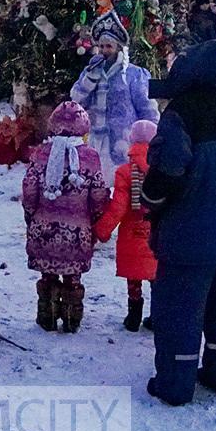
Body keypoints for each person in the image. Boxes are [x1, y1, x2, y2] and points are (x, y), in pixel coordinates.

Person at [139, 39, 216, 407]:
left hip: (188, 233)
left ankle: (175, 383)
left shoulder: (183, 111)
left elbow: (169, 168)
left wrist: (151, 200)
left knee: (179, 310)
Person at [22, 101, 110, 333]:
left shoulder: (41, 154)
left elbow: (29, 188)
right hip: (78, 231)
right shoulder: (89, 157)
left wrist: (31, 214)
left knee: (48, 272)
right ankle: (72, 315)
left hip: (44, 228)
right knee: (73, 275)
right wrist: (96, 216)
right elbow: (99, 193)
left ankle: (47, 312)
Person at [69, 23, 158, 180]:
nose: (104, 51)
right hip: (95, 141)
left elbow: (147, 108)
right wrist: (89, 79)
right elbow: (76, 100)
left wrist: (150, 139)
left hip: (123, 142)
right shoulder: (90, 71)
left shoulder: (133, 74)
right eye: (101, 46)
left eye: (109, 46)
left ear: (118, 47)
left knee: (122, 188)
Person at [95, 118, 159, 332]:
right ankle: (157, 315)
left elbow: (118, 207)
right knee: (157, 276)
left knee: (134, 277)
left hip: (132, 232)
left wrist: (102, 231)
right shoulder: (161, 170)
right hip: (157, 232)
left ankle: (133, 317)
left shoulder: (124, 172)